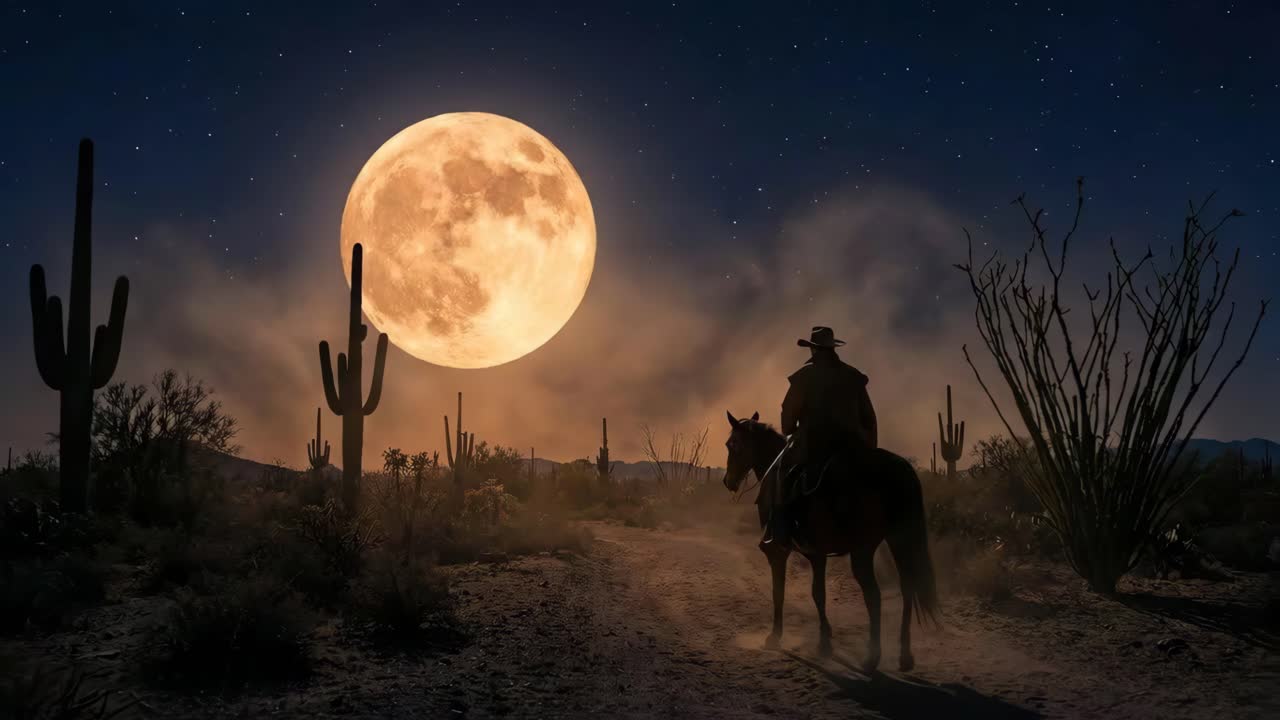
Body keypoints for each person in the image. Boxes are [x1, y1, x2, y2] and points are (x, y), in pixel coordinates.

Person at [763, 326, 878, 546]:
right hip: (853, 447)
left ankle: (780, 534)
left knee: (780, 474)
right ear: (832, 348)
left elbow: (788, 416)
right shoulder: (854, 376)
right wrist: (869, 449)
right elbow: (869, 418)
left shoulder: (804, 377)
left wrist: (789, 430)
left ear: (813, 350)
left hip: (813, 445)